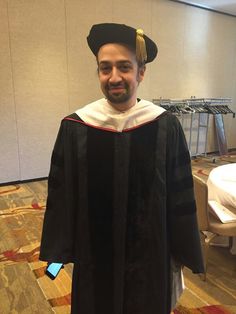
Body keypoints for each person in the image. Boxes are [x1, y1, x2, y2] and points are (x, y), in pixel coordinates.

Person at [39, 23, 204, 314]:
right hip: (94, 258)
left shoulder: (165, 126)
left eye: (124, 67)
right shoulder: (75, 127)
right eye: (105, 68)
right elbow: (62, 197)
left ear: (141, 72)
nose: (114, 77)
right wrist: (58, 254)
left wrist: (182, 251)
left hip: (150, 258)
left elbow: (180, 195)